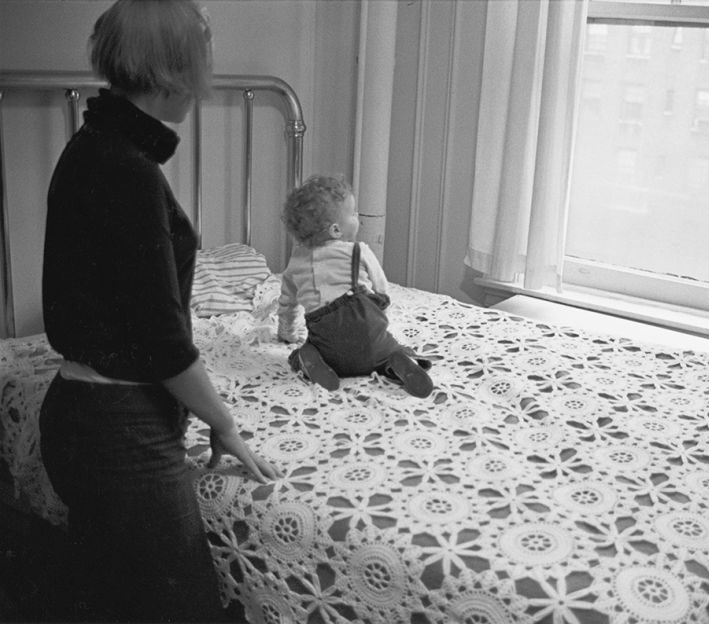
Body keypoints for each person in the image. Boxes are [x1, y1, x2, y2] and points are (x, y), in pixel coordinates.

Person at [39, 1, 281, 621]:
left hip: (86, 417)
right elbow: (163, 342)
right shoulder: (126, 170)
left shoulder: (93, 148)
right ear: (175, 74)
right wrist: (223, 424)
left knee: (106, 598)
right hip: (118, 429)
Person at [278, 174, 434, 398]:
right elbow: (382, 290)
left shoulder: (295, 264)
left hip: (329, 345)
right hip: (367, 332)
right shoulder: (359, 251)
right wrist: (379, 316)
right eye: (352, 213)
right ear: (335, 230)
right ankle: (396, 360)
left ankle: (309, 358)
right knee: (387, 348)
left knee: (302, 351)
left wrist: (287, 332)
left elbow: (288, 305)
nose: (357, 216)